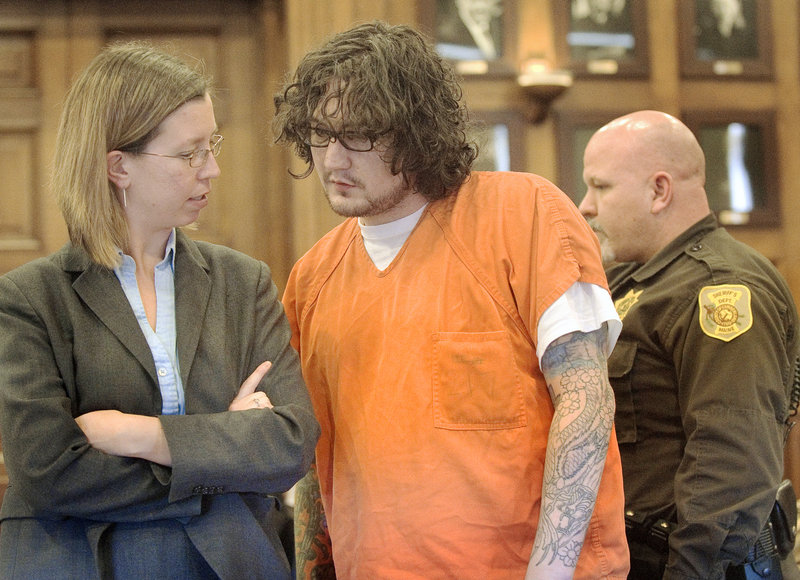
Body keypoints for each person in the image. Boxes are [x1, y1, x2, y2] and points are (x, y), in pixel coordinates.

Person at [273, 21, 630, 580]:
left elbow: (585, 401)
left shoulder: (524, 213)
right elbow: (317, 463)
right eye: (320, 135)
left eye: (359, 134)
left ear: (415, 130)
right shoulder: (312, 275)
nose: (333, 160)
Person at [0, 42, 320, 580]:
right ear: (119, 166)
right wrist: (222, 456)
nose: (213, 169)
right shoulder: (30, 299)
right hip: (86, 562)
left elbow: (289, 443)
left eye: (211, 144)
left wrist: (140, 435)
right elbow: (50, 471)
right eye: (190, 152)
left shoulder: (243, 282)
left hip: (234, 562)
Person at [579, 110, 800, 579]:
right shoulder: (639, 280)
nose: (585, 206)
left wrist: (689, 572)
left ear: (659, 191)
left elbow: (731, 464)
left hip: (694, 565)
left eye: (601, 187)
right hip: (636, 554)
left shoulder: (720, 289)